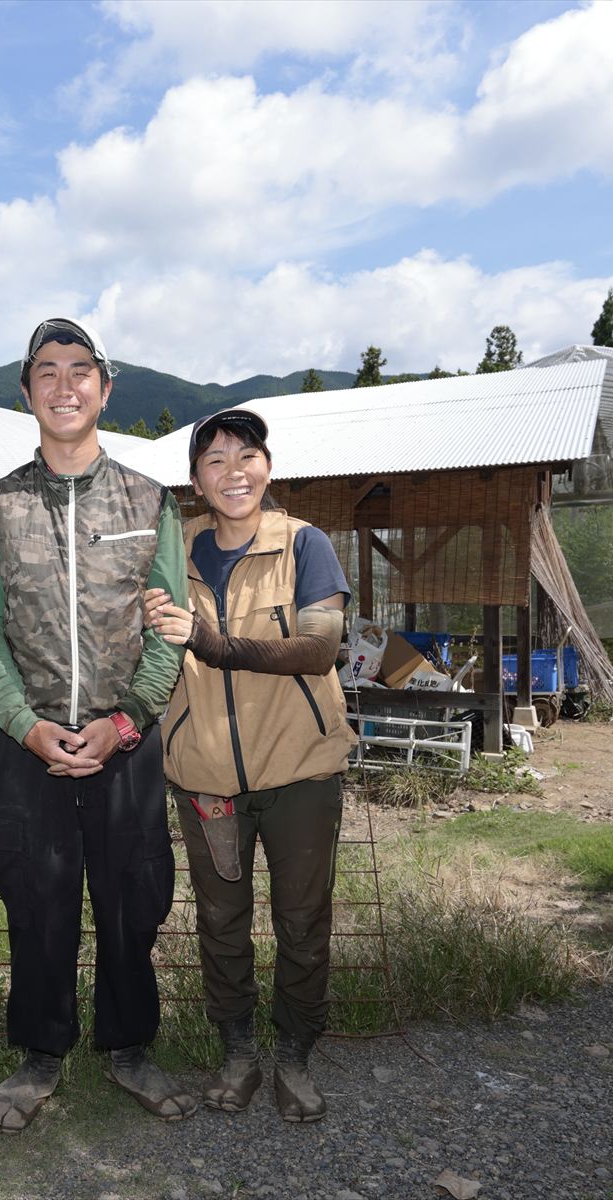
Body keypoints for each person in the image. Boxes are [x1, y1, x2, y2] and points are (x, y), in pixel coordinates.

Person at [0, 317, 196, 1132]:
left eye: (80, 371)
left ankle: (129, 1048)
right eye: (47, 372)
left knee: (135, 897)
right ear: (26, 393)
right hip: (29, 747)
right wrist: (25, 727)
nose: (65, 386)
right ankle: (39, 1054)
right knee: (37, 898)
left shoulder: (149, 499)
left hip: (124, 744)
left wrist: (127, 722)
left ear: (104, 387)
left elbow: (170, 627)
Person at [143, 408, 355, 1123]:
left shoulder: (305, 545)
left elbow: (318, 648)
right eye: (214, 460)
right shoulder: (172, 555)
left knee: (302, 921)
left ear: (267, 467)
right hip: (205, 777)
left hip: (300, 772)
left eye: (246, 455)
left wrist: (211, 641)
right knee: (221, 923)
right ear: (196, 480)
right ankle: (238, 1054)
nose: (233, 471)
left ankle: (295, 1056)